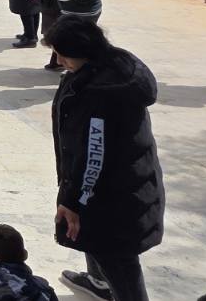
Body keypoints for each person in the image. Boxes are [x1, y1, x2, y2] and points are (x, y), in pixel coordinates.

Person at [49, 17, 164, 301]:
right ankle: (98, 282)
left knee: (116, 254)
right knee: (90, 233)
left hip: (116, 192)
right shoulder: (107, 67)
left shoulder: (101, 94)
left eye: (63, 53)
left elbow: (93, 156)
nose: (59, 60)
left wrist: (73, 199)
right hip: (115, 183)